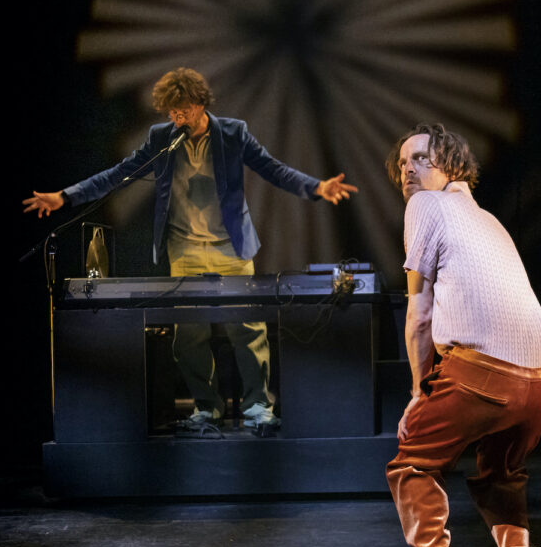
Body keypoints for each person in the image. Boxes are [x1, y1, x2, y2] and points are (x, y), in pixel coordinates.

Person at [23, 67, 357, 432]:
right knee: (189, 335)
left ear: (200, 103)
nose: (177, 117)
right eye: (171, 111)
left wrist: (317, 187)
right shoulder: (161, 138)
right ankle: (206, 409)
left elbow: (273, 169)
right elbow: (118, 174)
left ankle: (258, 408)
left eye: (183, 109)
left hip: (232, 249)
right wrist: (65, 197)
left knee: (248, 330)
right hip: (185, 250)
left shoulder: (233, 133)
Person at [383, 122, 541, 547]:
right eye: (402, 163)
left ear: (451, 163)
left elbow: (420, 312)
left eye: (420, 158)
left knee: (412, 464)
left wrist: (418, 393)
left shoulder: (425, 205)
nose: (408, 170)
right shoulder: (490, 220)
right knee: (501, 475)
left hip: (485, 377)